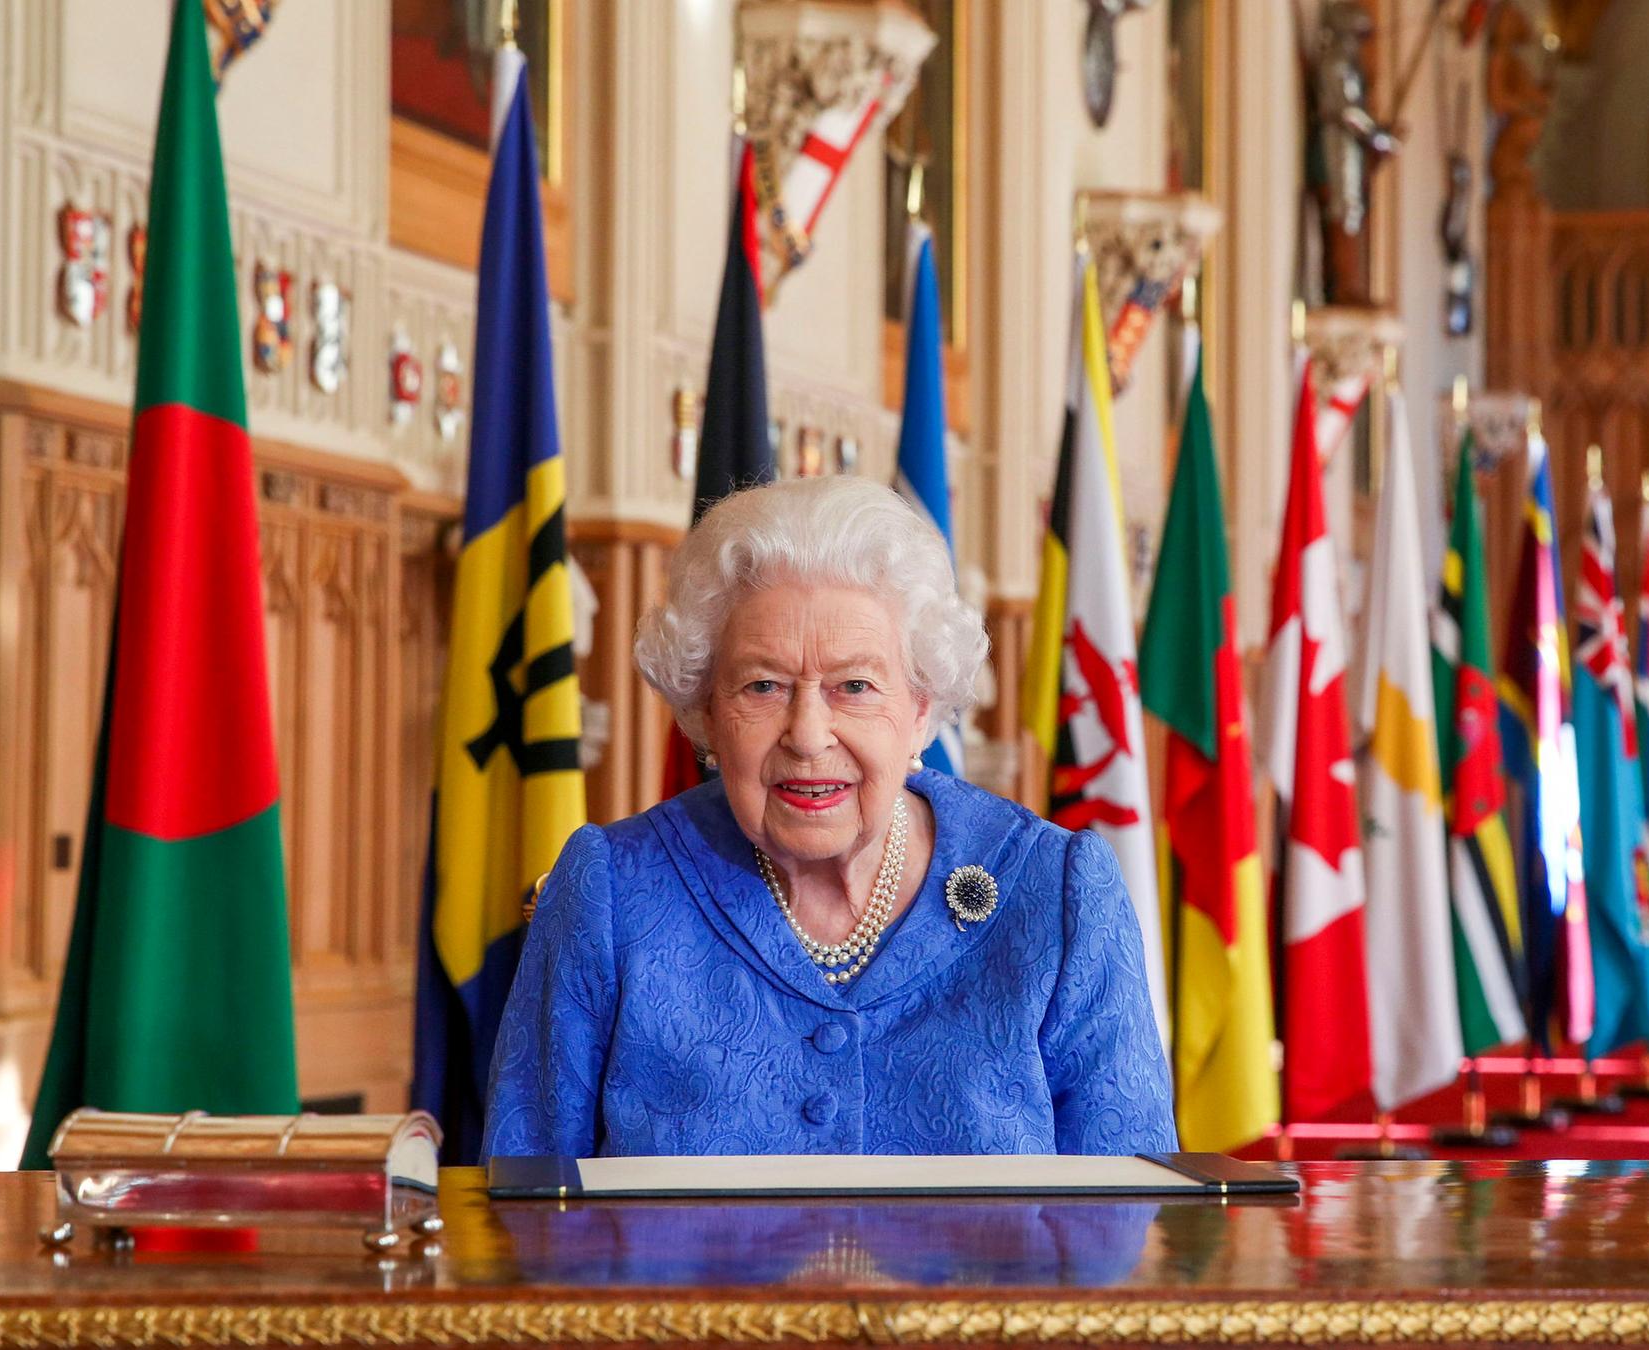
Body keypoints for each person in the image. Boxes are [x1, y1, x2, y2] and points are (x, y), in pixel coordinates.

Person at [482, 476, 1176, 1157]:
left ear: (921, 709)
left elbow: (1133, 1210)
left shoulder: (1055, 894)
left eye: (854, 686)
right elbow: (525, 1199)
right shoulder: (613, 893)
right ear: (706, 711)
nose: (809, 735)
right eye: (763, 685)